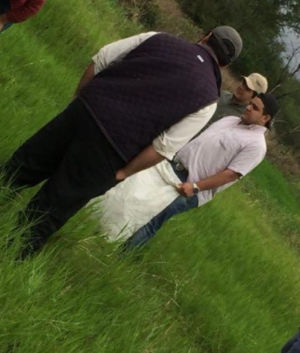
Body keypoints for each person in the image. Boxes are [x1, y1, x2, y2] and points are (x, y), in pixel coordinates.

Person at [0, 27, 243, 257]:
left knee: (23, 165)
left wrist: (79, 101)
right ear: (223, 64)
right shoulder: (208, 100)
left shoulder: (159, 38)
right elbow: (163, 147)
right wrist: (124, 172)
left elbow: (101, 59)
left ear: (206, 36)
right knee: (54, 206)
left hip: (85, 111)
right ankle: (5, 256)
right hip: (112, 150)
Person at [93, 92, 279, 248]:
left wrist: (195, 187)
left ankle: (119, 254)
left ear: (265, 118)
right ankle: (102, 229)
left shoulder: (256, 145)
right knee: (136, 197)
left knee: (152, 219)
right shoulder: (230, 120)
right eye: (250, 104)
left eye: (255, 108)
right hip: (173, 166)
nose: (248, 107)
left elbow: (231, 174)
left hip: (192, 187)